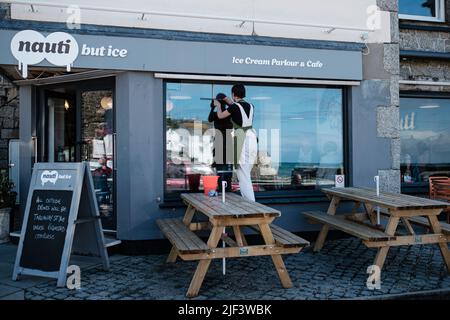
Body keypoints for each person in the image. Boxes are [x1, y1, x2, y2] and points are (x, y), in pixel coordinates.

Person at [216, 84, 258, 201]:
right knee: (246, 173)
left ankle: (251, 203)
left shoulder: (234, 107)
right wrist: (228, 100)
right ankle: (249, 201)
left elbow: (220, 115)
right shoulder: (251, 106)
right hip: (252, 138)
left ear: (233, 94)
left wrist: (219, 105)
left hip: (242, 139)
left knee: (243, 175)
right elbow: (237, 109)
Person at [208, 93, 233, 192]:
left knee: (222, 164)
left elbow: (210, 118)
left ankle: (224, 186)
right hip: (224, 139)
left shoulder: (227, 112)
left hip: (222, 139)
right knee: (225, 164)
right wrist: (215, 106)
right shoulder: (227, 112)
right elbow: (210, 119)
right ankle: (227, 186)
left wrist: (214, 106)